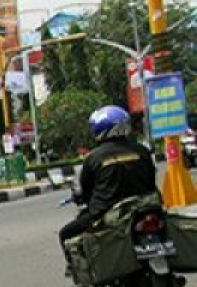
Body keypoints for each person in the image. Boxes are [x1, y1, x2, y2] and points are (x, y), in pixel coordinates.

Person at [59, 105, 158, 251]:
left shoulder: (92, 158)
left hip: (108, 215)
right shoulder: (142, 151)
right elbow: (151, 182)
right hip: (146, 209)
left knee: (65, 234)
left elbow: (86, 192)